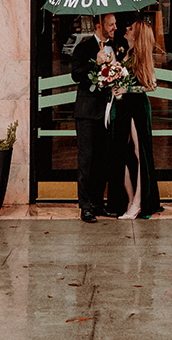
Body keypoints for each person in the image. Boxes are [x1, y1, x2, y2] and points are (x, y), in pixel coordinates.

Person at [107, 16, 162, 220]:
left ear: (137, 36)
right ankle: (130, 199)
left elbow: (151, 85)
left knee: (140, 154)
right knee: (121, 153)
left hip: (137, 108)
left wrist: (127, 88)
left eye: (130, 29)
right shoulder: (126, 53)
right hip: (123, 107)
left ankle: (138, 202)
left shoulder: (141, 55)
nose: (126, 29)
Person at [69, 12, 117, 223]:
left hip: (106, 111)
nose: (115, 27)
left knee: (102, 160)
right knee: (86, 160)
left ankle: (98, 203)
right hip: (87, 112)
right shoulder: (84, 47)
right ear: (99, 26)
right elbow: (75, 74)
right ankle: (85, 206)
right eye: (111, 24)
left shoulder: (114, 48)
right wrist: (94, 63)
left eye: (115, 24)